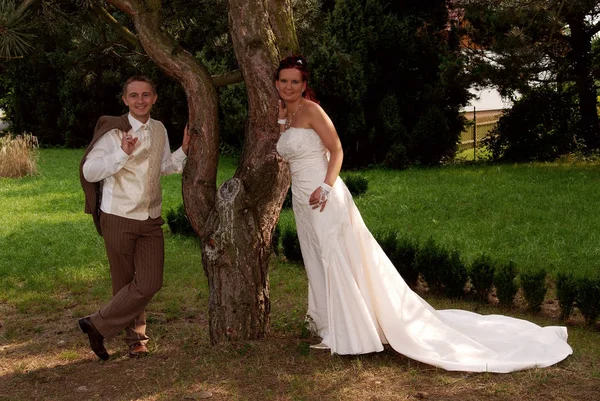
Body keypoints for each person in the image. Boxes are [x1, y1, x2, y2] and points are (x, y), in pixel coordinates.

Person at [274, 55, 572, 373]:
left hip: (324, 196)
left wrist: (327, 186)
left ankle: (348, 334)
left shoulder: (312, 111)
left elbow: (337, 150)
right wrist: (281, 123)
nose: (289, 86)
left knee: (335, 259)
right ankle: (328, 325)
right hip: (303, 200)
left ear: (304, 85)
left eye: (295, 81)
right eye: (284, 81)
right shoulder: (288, 114)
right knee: (317, 259)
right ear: (277, 83)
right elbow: (289, 148)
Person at [78, 76, 190, 360]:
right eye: (134, 95)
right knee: (124, 282)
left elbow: (163, 166)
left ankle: (96, 324)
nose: (140, 100)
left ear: (154, 98)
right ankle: (136, 340)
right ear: (125, 100)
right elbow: (90, 171)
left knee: (149, 282)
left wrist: (185, 150)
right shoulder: (114, 132)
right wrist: (121, 153)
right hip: (118, 217)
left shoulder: (160, 129)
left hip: (151, 217)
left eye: (146, 95)